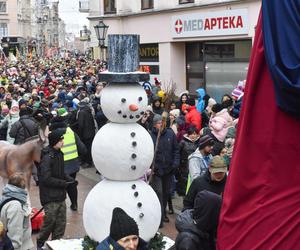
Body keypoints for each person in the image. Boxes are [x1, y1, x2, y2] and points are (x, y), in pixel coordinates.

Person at [37, 129, 76, 249]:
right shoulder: (48, 157)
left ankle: (56, 245)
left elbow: (61, 171)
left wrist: (70, 180)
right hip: (50, 197)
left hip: (60, 196)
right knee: (49, 223)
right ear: (55, 141)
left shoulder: (59, 153)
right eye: (61, 139)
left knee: (60, 224)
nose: (63, 141)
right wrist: (64, 183)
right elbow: (46, 178)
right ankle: (40, 243)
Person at [49, 113, 87, 211]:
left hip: (59, 164)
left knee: (59, 185)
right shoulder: (70, 131)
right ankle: (74, 204)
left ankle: (61, 206)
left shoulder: (52, 134)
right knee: (72, 184)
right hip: (73, 164)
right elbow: (82, 148)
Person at [150, 114, 180, 227]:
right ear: (154, 124)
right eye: (159, 123)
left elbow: (176, 150)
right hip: (156, 171)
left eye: (163, 122)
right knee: (158, 192)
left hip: (168, 170)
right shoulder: (150, 136)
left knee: (166, 194)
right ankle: (158, 219)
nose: (161, 125)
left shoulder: (170, 134)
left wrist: (175, 163)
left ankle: (162, 214)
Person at [0, 173, 34, 250]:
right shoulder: (16, 205)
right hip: (19, 247)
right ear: (23, 187)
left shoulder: (6, 196)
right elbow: (15, 234)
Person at [177, 126, 200, 196]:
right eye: (191, 134)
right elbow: (178, 153)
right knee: (184, 183)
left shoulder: (199, 143)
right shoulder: (182, 142)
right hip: (184, 167)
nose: (193, 136)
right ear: (188, 134)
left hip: (195, 166)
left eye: (195, 134)